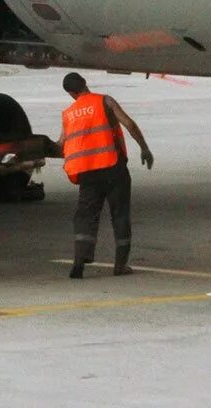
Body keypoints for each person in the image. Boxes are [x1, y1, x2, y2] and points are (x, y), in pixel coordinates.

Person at [52, 72, 154, 279]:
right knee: (120, 214)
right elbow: (129, 124)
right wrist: (144, 148)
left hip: (88, 173)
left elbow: (60, 145)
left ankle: (79, 261)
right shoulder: (104, 101)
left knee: (86, 216)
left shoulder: (68, 114)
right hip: (113, 168)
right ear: (85, 84)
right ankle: (120, 265)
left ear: (71, 93)